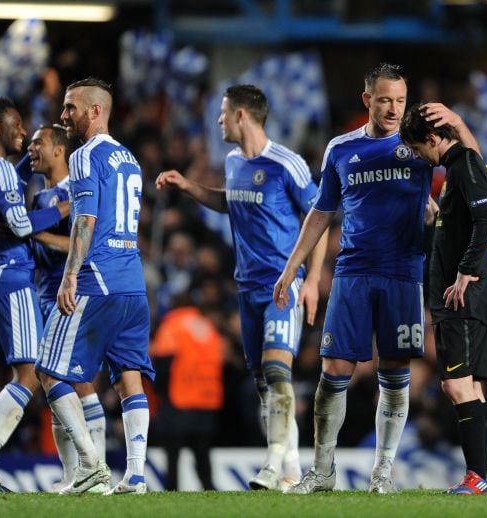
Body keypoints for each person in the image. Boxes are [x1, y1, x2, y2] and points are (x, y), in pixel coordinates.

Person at [273, 63, 479, 494]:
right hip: (352, 271)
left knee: (395, 369)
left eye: (400, 101)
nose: (393, 109)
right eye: (385, 100)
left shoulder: (418, 142)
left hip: (403, 272)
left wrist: (458, 124)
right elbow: (321, 212)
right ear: (368, 100)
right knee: (335, 368)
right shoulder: (341, 149)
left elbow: (474, 169)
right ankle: (323, 471)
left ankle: (382, 473)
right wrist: (293, 267)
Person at [155, 84, 329, 491]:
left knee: (276, 370)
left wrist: (312, 281)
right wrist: (189, 187)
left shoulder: (288, 164)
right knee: (265, 385)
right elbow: (230, 201)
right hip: (246, 289)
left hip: (282, 285)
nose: (218, 120)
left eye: (223, 112)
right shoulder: (233, 162)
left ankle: (271, 466)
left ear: (241, 116)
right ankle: (291, 470)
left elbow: (320, 220)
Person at [34, 77, 154, 496]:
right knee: (128, 380)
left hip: (97, 279)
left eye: (71, 107)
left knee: (48, 370)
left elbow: (85, 220)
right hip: (133, 284)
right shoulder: (131, 159)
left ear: (96, 111)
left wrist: (70, 275)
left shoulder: (84, 156)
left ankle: (90, 465)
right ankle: (136, 476)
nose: (64, 115)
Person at [0, 97, 69, 493]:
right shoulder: (0, 169)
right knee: (29, 375)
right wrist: (63, 208)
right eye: (16, 124)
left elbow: (8, 191)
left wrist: (24, 164)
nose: (23, 133)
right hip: (12, 279)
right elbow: (20, 223)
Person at [399, 102, 487, 494]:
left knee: (459, 386)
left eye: (419, 148)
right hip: (465, 297)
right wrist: (438, 217)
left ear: (432, 139)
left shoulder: (463, 166)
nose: (420, 157)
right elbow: (471, 218)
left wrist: (464, 271)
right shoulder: (464, 168)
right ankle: (482, 477)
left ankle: (478, 478)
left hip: (463, 298)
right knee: (467, 386)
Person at [25, 124, 107, 492]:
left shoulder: (79, 189)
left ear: (59, 150)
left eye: (38, 142)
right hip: (45, 293)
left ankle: (95, 466)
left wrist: (36, 234)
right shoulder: (40, 197)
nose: (31, 148)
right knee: (55, 386)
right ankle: (72, 475)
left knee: (76, 380)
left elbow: (85, 244)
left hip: (73, 293)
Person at [150, 292, 224, 491]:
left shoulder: (172, 326)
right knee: (202, 452)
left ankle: (172, 490)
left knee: (173, 454)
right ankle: (209, 489)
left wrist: (159, 393)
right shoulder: (208, 327)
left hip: (178, 400)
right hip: (206, 400)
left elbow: (163, 363)